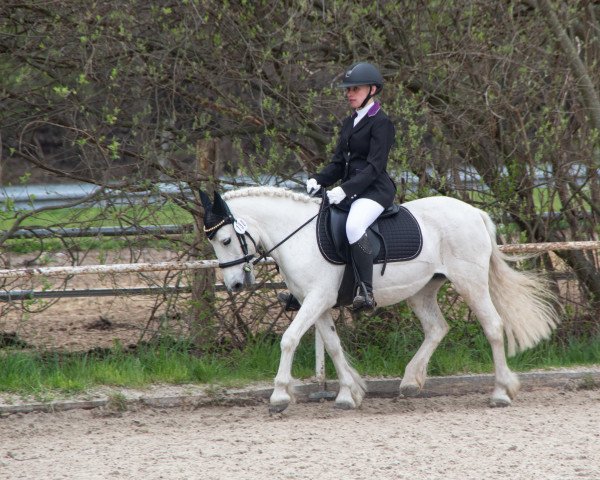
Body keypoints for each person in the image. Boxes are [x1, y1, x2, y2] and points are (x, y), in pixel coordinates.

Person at [280, 62, 396, 311]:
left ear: (372, 90)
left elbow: (375, 167)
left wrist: (345, 189)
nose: (349, 93)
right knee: (317, 219)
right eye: (348, 89)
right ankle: (304, 289)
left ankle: (365, 290)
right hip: (352, 190)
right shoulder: (349, 123)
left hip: (375, 191)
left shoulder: (381, 123)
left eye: (356, 88)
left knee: (354, 225)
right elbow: (337, 163)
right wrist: (318, 179)